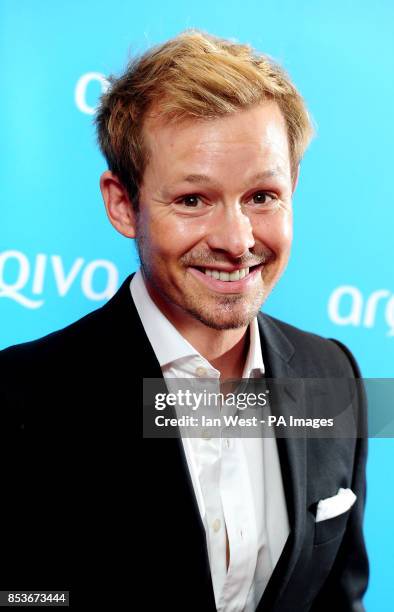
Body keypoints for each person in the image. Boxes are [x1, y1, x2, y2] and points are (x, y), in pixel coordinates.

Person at [0, 30, 368, 611]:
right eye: (194, 200)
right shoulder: (19, 397)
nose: (236, 240)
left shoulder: (334, 376)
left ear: (293, 189)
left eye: (262, 196)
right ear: (123, 204)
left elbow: (338, 597)